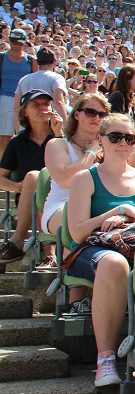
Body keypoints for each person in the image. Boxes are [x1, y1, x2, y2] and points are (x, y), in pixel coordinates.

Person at [67, 113, 135, 386]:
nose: (122, 143)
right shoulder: (85, 178)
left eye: (129, 138)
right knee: (113, 264)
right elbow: (76, 232)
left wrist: (128, 219)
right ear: (101, 139)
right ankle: (106, 359)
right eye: (115, 137)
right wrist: (115, 211)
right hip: (92, 249)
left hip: (133, 245)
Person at [0, 89, 64, 263]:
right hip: (31, 196)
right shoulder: (17, 143)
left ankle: (18, 242)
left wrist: (59, 134)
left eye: (46, 104)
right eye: (36, 105)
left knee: (41, 188)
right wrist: (19, 187)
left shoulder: (62, 138)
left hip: (61, 193)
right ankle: (50, 255)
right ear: (25, 112)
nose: (42, 108)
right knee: (35, 181)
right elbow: (1, 177)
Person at [41, 93, 106, 241]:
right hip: (61, 206)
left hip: (98, 207)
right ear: (76, 114)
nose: (96, 118)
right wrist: (91, 152)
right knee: (85, 222)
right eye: (90, 112)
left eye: (102, 114)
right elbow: (66, 179)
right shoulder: (58, 144)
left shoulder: (110, 147)